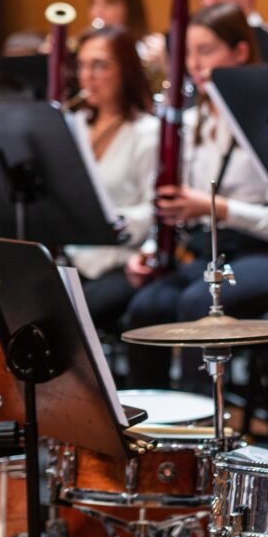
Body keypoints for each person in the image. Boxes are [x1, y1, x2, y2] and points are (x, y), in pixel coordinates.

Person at [122, 2, 268, 392]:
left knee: (197, 305)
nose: (194, 64)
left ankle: (202, 431)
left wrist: (219, 209)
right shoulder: (191, 123)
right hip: (216, 256)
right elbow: (174, 206)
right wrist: (153, 249)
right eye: (188, 54)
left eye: (205, 52)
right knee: (146, 307)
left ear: (240, 52)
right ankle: (148, 434)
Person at [66, 25, 159, 331]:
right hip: (72, 259)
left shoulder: (146, 131)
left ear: (126, 71)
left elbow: (155, 209)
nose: (87, 76)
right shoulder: (71, 126)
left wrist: (111, 221)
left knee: (68, 321)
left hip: (122, 262)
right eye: (82, 65)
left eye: (100, 65)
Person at [87, 0, 166, 92]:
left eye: (108, 3)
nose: (98, 12)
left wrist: (164, 64)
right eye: (94, 3)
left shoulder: (149, 47)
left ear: (130, 7)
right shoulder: (86, 49)